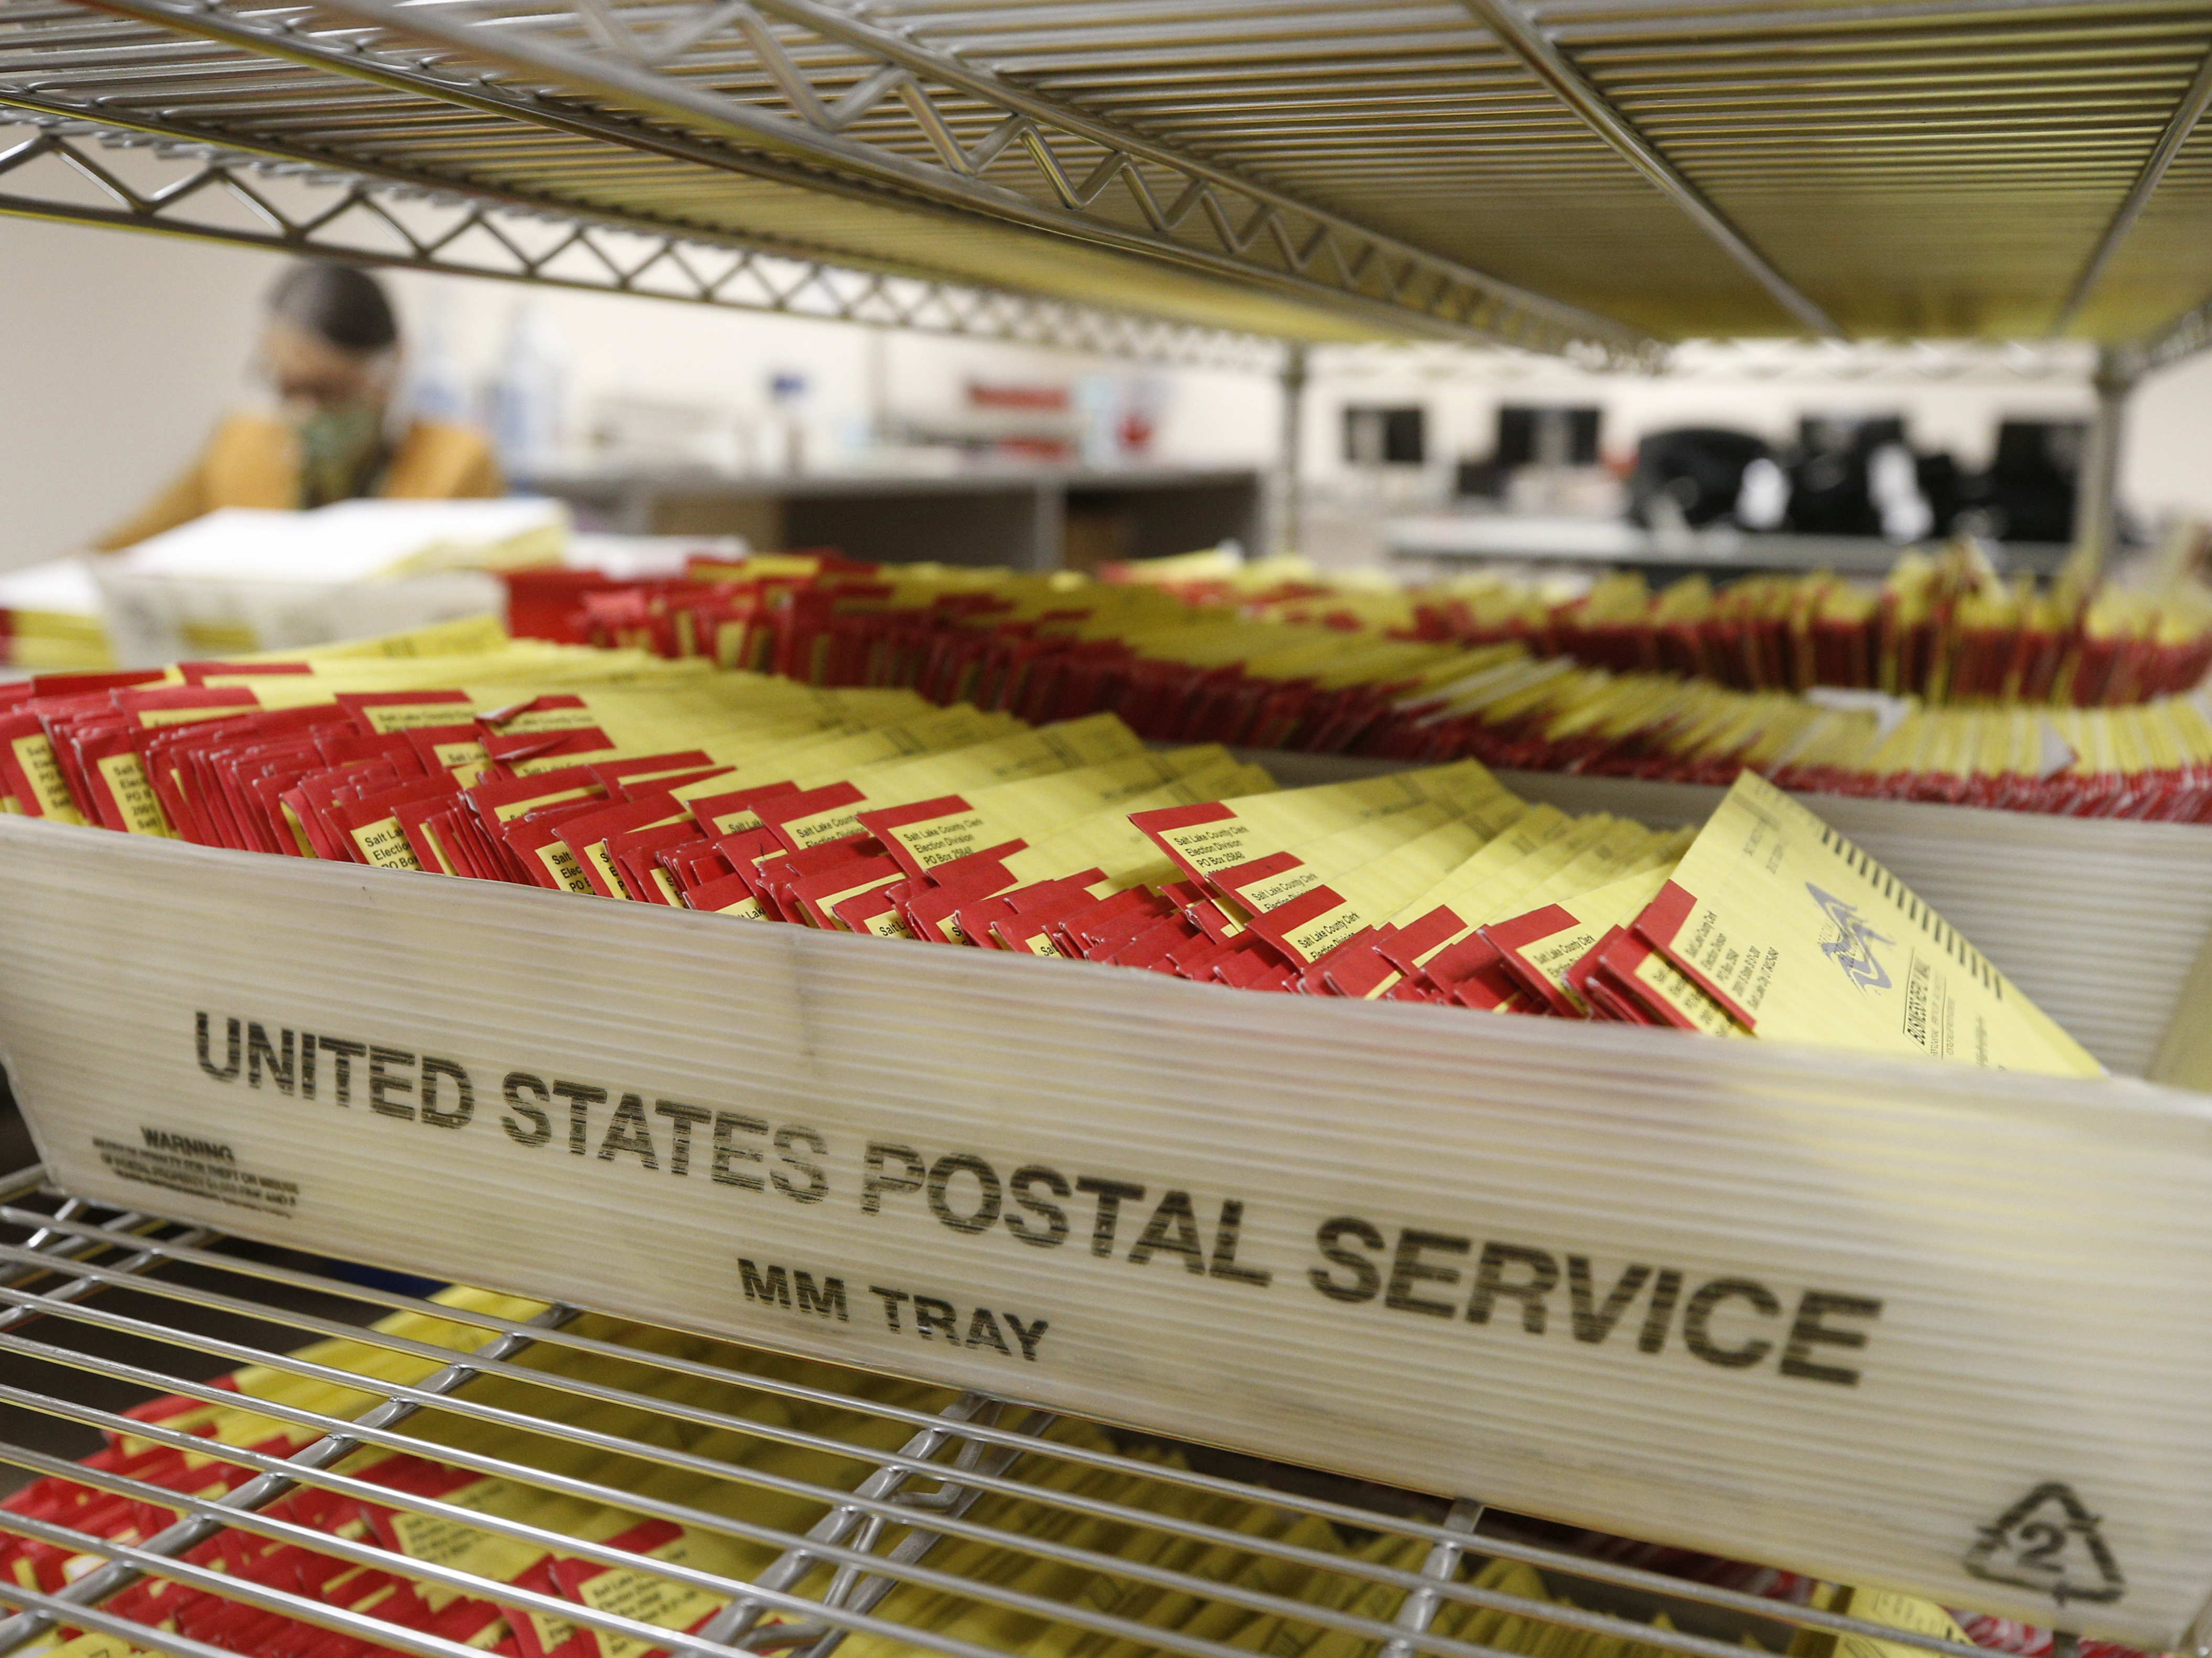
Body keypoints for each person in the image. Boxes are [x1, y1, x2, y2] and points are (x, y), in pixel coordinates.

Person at [94, 262, 502, 550]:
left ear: (393, 368)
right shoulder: (240, 444)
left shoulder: (457, 462)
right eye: (285, 389)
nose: (303, 412)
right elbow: (124, 549)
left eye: (329, 390)